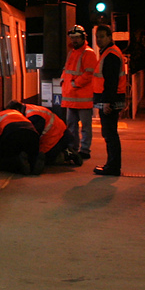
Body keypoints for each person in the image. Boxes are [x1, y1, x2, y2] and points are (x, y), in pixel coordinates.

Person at [93, 23, 127, 176]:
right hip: (112, 99)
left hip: (110, 101)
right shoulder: (110, 52)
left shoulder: (110, 55)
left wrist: (107, 102)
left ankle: (113, 167)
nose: (99, 40)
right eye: (97, 37)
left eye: (101, 37)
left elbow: (110, 81)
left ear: (109, 37)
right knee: (109, 133)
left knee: (110, 134)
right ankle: (111, 165)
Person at [60, 25, 98, 160]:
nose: (74, 40)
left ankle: (85, 150)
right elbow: (67, 70)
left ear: (83, 38)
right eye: (72, 38)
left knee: (85, 127)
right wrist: (63, 80)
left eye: (76, 38)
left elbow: (89, 73)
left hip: (82, 97)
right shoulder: (72, 53)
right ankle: (73, 148)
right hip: (71, 97)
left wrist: (74, 84)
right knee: (71, 125)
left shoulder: (88, 53)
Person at [8, 100, 81, 166]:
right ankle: (63, 150)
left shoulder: (33, 116)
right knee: (40, 155)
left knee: (45, 159)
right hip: (57, 133)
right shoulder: (29, 109)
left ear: (17, 110)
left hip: (58, 136)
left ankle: (67, 155)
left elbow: (34, 137)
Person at [0, 108, 43, 176]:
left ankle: (18, 163)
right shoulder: (15, 113)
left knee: (1, 163)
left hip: (12, 134)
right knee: (29, 153)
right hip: (32, 133)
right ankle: (34, 162)